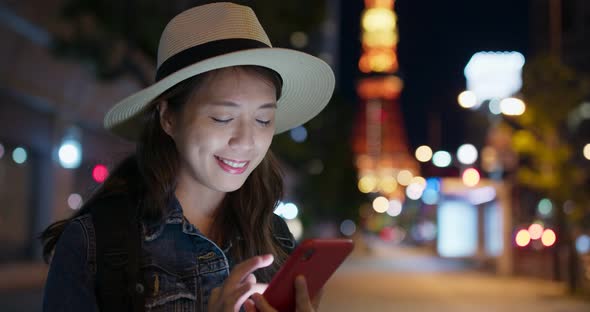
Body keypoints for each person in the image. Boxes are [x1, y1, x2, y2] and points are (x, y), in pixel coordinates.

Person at [40, 2, 335, 311]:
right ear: (168, 117)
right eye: (222, 117)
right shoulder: (95, 243)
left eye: (263, 120)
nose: (247, 141)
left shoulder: (275, 238)